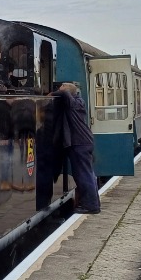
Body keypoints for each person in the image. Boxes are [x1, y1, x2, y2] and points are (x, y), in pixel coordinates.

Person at [52, 81, 100, 214]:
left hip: (79, 143)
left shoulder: (72, 103)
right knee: (88, 174)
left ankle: (91, 206)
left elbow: (63, 94)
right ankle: (93, 203)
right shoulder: (79, 101)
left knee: (83, 175)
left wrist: (53, 93)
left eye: (61, 87)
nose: (59, 89)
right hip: (84, 142)